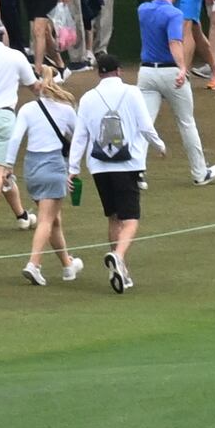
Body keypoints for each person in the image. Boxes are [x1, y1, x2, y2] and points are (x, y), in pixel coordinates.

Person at [69, 54, 158, 293]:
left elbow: (80, 136)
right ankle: (118, 256)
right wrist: (160, 145)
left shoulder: (88, 97)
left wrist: (73, 168)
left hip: (99, 166)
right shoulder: (131, 92)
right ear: (118, 71)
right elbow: (145, 125)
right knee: (130, 220)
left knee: (113, 217)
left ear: (99, 72)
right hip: (127, 165)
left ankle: (121, 271)